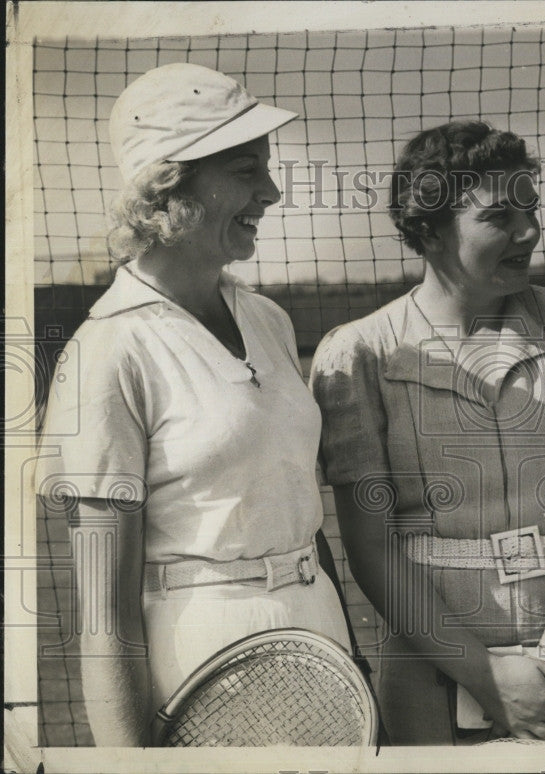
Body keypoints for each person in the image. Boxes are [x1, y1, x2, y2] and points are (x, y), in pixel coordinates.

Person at [35, 62, 352, 746]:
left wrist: (343, 654)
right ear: (169, 185)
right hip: (201, 663)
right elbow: (104, 617)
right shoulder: (104, 354)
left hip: (319, 639)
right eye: (245, 170)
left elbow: (303, 516)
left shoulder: (268, 319)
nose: (271, 191)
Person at [310, 120, 545, 745]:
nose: (529, 231)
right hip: (429, 678)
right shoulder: (356, 354)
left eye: (532, 209)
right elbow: (371, 547)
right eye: (500, 216)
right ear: (429, 229)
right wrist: (487, 677)